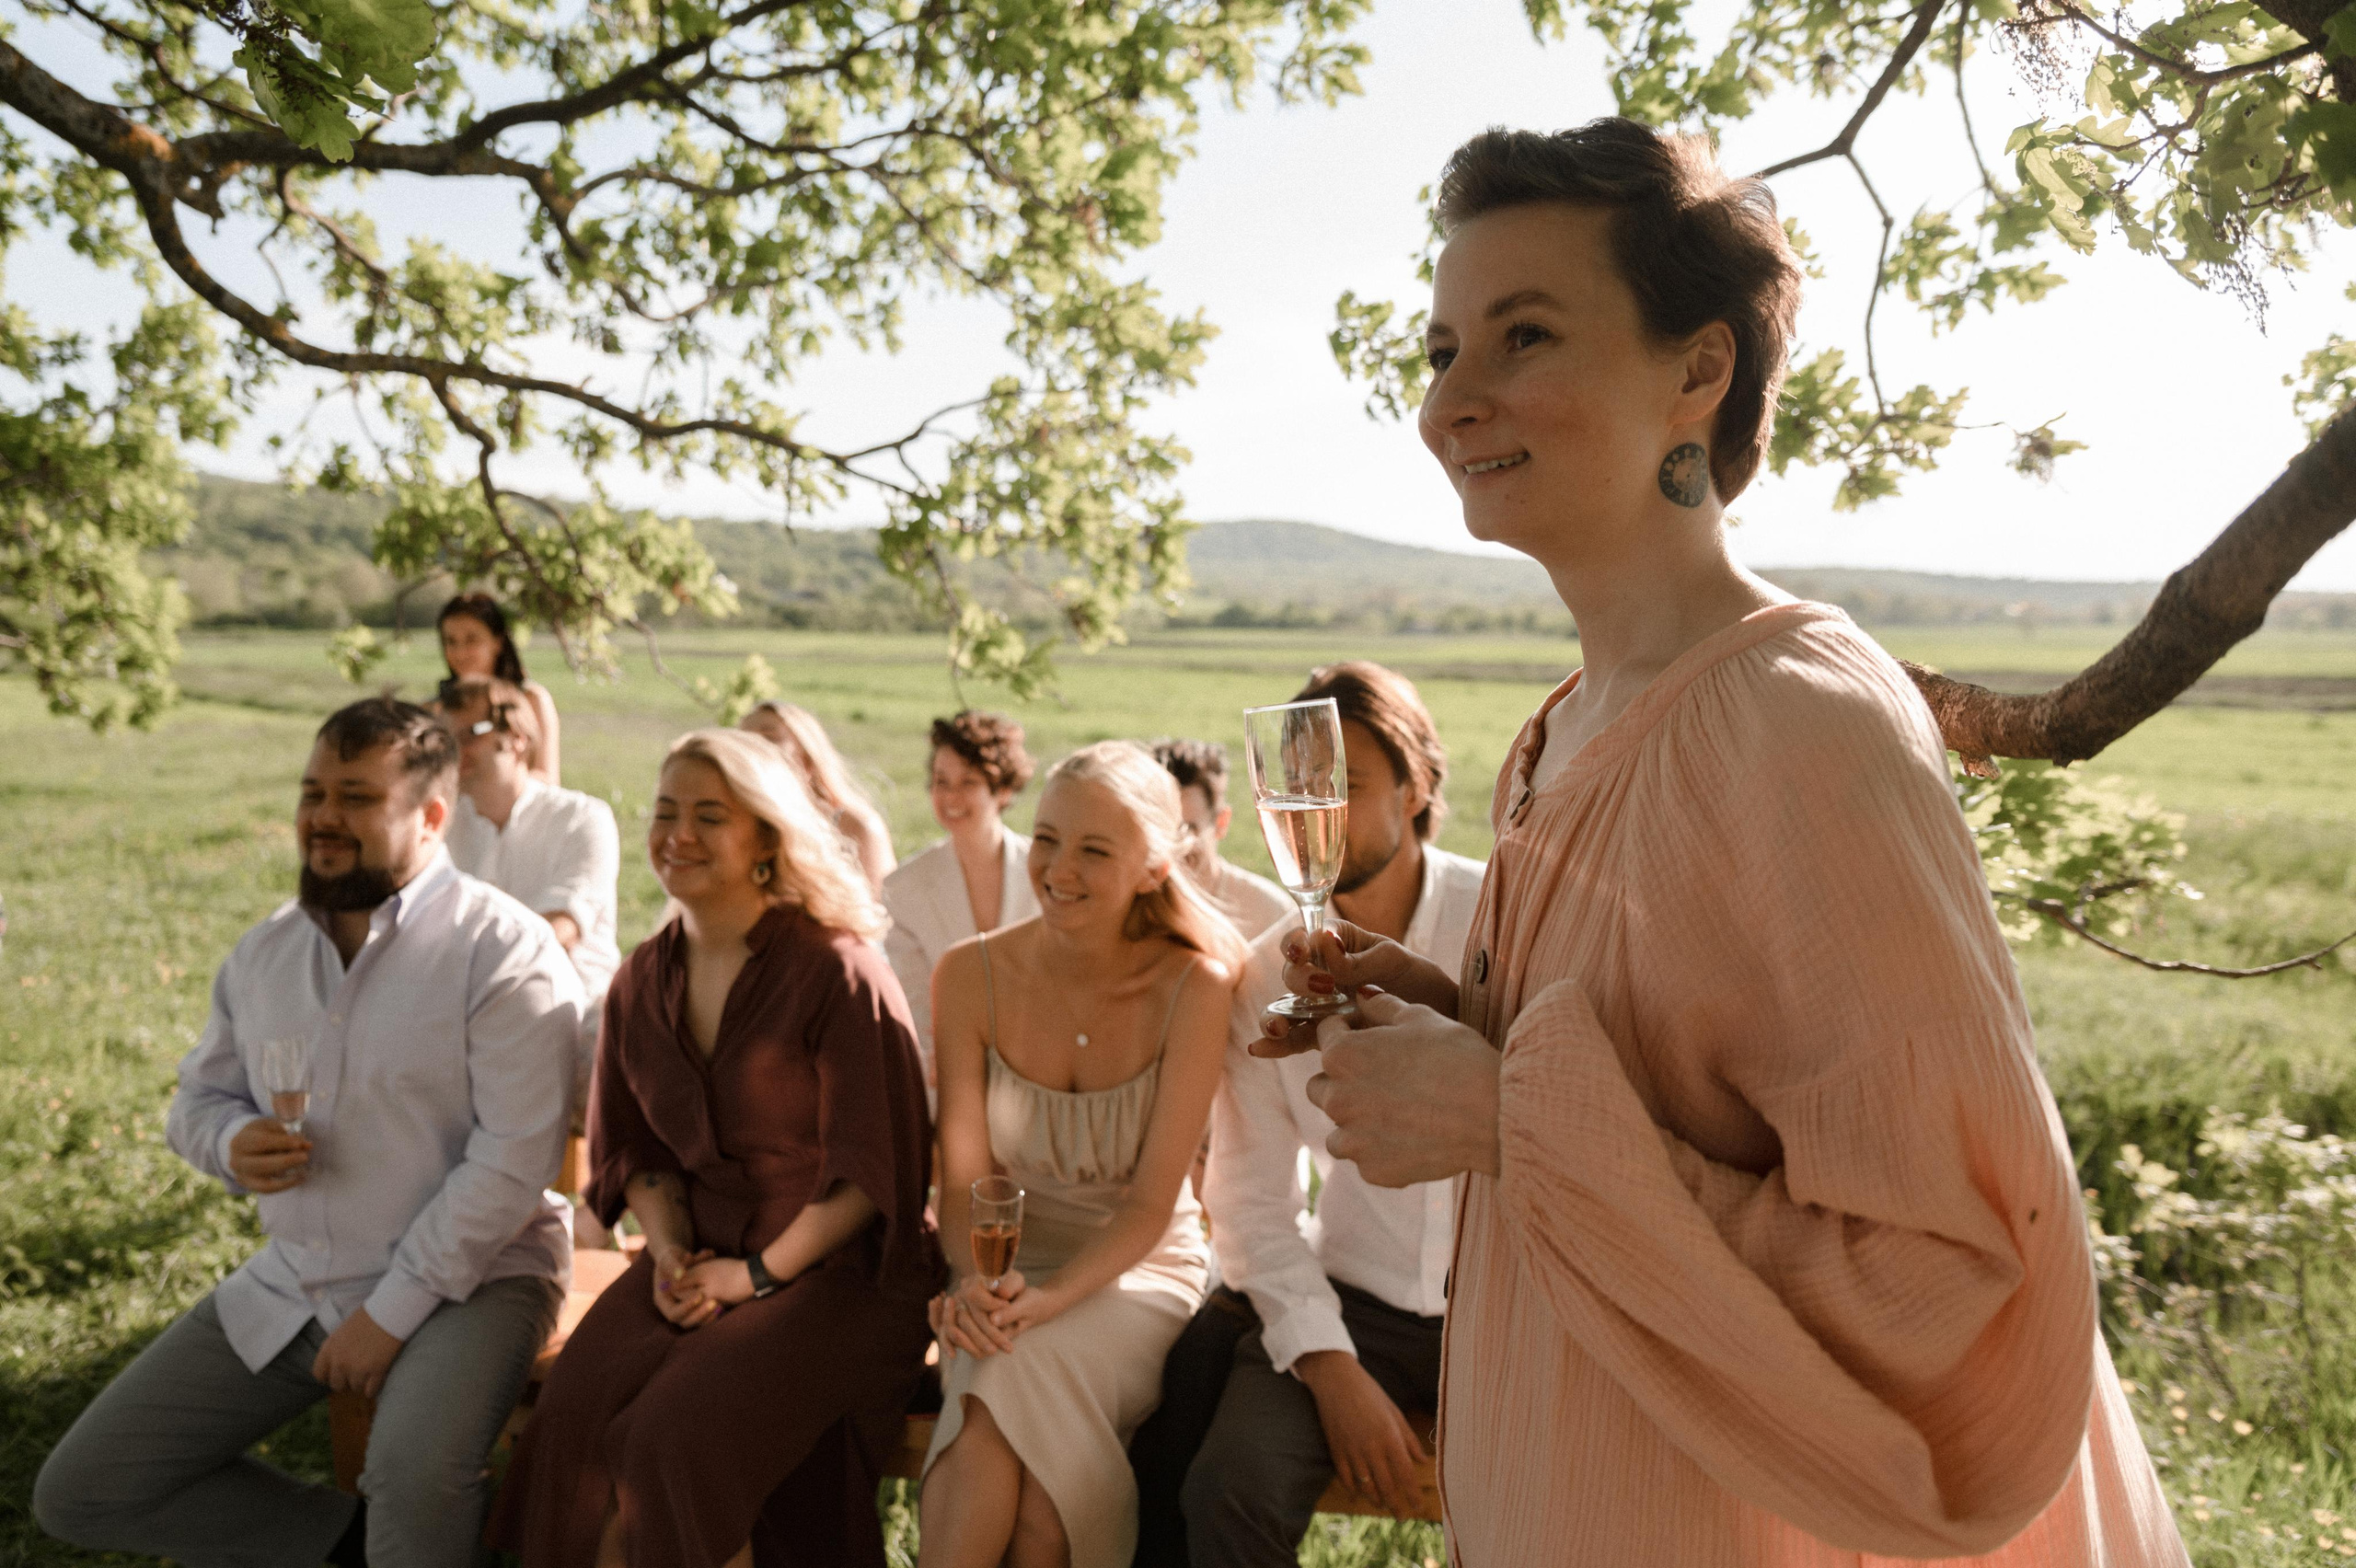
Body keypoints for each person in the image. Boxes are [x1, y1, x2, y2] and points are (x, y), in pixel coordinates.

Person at [1257, 120, 2187, 1566]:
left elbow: (1957, 1278)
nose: (1455, 400)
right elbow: (1665, 1089)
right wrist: (1459, 1024)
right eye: (1443, 350)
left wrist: (1506, 1116)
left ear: (1698, 371)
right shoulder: (1562, 730)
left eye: (1526, 336)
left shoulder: (1799, 724)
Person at [34, 698, 585, 1568]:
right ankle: (376, 1550)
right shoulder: (266, 954)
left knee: (409, 1478)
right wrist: (226, 1142)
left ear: (432, 817)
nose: (323, 817)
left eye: (357, 798)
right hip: (301, 1280)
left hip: (474, 1279)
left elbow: (512, 1162)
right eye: (313, 792)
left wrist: (390, 1313)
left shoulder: (502, 949)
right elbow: (198, 1100)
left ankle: (416, 1540)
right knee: (88, 1488)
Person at [490, 729, 938, 1568]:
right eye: (666, 813)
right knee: (572, 1427)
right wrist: (665, 1255)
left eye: (709, 816)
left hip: (840, 1274)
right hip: (695, 1258)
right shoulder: (642, 977)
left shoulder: (836, 970)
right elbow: (640, 1152)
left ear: (768, 838)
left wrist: (757, 1274)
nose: (678, 835)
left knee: (666, 1444)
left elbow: (873, 1178)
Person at [1129, 662, 1483, 1566]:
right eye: (1293, 787)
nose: (1314, 805)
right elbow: (1248, 1205)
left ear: (1418, 789)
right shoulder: (1261, 975)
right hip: (1352, 1306)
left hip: (1508, 1308)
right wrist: (1331, 1368)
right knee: (1224, 1494)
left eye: (1347, 785)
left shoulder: (1499, 921)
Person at [918, 742, 1242, 1568]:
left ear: (1153, 867)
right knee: (1033, 1507)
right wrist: (979, 1287)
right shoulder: (968, 976)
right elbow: (964, 1184)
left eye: (1095, 850)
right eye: (1046, 839)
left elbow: (1148, 1207)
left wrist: (1047, 1300)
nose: (1059, 869)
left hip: (1135, 1273)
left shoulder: (1194, 988)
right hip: (999, 1273)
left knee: (1005, 1376)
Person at [881, 709, 1041, 1086]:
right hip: (947, 1073)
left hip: (1040, 1065)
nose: (951, 797)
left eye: (968, 782)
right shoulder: (902, 889)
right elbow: (919, 1006)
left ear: (1001, 790)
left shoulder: (1044, 871)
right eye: (941, 781)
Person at [740, 698, 896, 893]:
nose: (750, 749)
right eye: (742, 741)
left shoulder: (857, 828)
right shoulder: (735, 826)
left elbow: (888, 915)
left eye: (768, 738)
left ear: (807, 759)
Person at [1149, 738, 1292, 943]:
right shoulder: (1127, 911)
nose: (1174, 845)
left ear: (1221, 823)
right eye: (1161, 827)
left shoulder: (1271, 914)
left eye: (1188, 829)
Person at [437, 592, 561, 783]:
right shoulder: (435, 708)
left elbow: (548, 779)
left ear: (498, 642)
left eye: (472, 640)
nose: (460, 653)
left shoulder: (532, 700)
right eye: (451, 641)